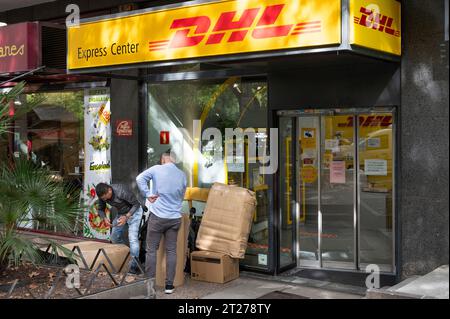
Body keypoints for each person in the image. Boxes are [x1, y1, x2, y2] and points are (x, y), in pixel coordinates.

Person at [136, 149, 187, 297]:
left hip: (158, 217)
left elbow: (140, 179)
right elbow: (182, 196)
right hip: (174, 218)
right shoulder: (182, 175)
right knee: (171, 251)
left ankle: (150, 286)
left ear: (164, 159)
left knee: (151, 250)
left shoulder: (157, 169)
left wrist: (148, 194)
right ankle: (169, 286)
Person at [95, 183, 143, 275]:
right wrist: (104, 218)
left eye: (106, 198)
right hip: (121, 213)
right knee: (114, 237)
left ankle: (134, 267)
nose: (106, 200)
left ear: (109, 190)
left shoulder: (121, 191)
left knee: (132, 238)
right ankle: (129, 254)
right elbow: (101, 209)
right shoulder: (103, 196)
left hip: (134, 212)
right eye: (103, 199)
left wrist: (127, 217)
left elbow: (136, 204)